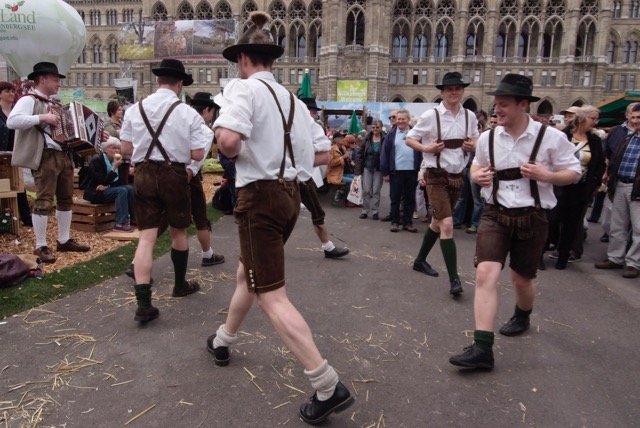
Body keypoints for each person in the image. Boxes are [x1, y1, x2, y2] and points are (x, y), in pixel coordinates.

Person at [205, 12, 354, 425]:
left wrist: (227, 140)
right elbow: (322, 154)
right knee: (248, 274)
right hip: (290, 196)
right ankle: (223, 339)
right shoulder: (293, 101)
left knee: (271, 295)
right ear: (271, 58)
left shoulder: (243, 89)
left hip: (260, 198)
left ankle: (326, 384)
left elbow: (229, 142)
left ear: (243, 59)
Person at [448, 74, 581, 370]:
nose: (497, 110)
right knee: (485, 274)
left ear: (523, 105)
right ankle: (482, 348)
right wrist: (477, 175)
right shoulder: (488, 138)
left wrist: (548, 176)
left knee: (522, 279)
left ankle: (523, 313)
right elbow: (477, 167)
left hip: (533, 216)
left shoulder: (551, 138)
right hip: (495, 213)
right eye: (496, 104)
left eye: (504, 104)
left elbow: (574, 172)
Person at [119, 58, 208, 323]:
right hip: (174, 174)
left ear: (158, 80)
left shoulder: (135, 109)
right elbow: (198, 153)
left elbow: (125, 149)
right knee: (178, 231)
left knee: (147, 237)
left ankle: (143, 304)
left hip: (144, 173)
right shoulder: (188, 113)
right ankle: (179, 285)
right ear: (179, 83)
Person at [7, 62, 91, 263]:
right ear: (42, 79)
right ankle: (40, 245)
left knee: (66, 199)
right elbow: (12, 121)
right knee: (44, 200)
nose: (58, 84)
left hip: (63, 155)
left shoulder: (55, 103)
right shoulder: (28, 100)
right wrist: (41, 117)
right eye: (55, 79)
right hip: (44, 155)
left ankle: (64, 240)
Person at [405, 72, 479, 296]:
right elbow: (410, 138)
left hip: (457, 176)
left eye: (457, 88)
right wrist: (426, 148)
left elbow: (476, 139)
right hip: (435, 175)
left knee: (437, 223)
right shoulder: (431, 115)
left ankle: (420, 261)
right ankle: (454, 280)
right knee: (447, 224)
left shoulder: (470, 116)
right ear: (442, 92)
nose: (453, 92)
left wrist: (472, 145)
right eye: (449, 89)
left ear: (462, 91)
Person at [547, 106, 605, 269]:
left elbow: (599, 164)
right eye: (593, 118)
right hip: (558, 186)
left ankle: (563, 257)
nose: (595, 122)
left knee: (572, 225)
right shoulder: (563, 135)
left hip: (581, 189)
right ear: (582, 118)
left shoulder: (594, 140)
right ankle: (539, 254)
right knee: (551, 221)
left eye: (597, 119)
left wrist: (594, 184)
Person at [298, 97, 349, 258]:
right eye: (313, 112)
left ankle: (328, 247)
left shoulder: (310, 126)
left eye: (315, 112)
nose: (314, 115)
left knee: (316, 212)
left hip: (302, 178)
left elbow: (324, 155)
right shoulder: (291, 124)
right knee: (280, 215)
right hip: (286, 178)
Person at [595, 102, 640, 278]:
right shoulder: (628, 138)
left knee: (638, 229)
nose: (635, 121)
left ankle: (634, 263)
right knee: (617, 225)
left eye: (639, 118)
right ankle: (615, 257)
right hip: (620, 185)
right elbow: (614, 159)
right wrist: (609, 176)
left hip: (637, 188)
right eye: (633, 117)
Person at [180, 91, 225, 266]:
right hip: (187, 176)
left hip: (168, 171)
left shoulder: (180, 121)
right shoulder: (205, 131)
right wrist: (187, 176)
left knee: (160, 218)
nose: (213, 115)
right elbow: (197, 161)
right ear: (206, 110)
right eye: (213, 111)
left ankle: (137, 260)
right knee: (200, 216)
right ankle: (207, 254)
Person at [380, 109, 422, 233]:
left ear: (408, 120)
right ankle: (395, 222)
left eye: (403, 119)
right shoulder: (390, 135)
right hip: (396, 172)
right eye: (398, 119)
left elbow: (422, 152)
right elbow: (385, 154)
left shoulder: (416, 134)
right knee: (395, 198)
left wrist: (422, 171)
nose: (400, 121)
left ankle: (407, 223)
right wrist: (385, 172)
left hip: (412, 171)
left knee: (410, 198)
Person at [83, 137, 135, 232]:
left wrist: (108, 185)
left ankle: (133, 220)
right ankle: (120, 224)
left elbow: (122, 182)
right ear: (105, 149)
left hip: (109, 189)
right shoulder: (97, 161)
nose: (116, 150)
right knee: (122, 190)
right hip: (96, 192)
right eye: (113, 148)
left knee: (130, 188)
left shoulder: (119, 160)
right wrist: (114, 167)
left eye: (118, 148)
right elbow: (101, 180)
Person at [0, 81, 31, 227]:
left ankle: (26, 217)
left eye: (13, 91)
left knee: (19, 184)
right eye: (7, 91)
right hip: (1, 153)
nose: (11, 94)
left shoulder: (16, 112)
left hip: (16, 153)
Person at [356, 119, 385, 220]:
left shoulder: (385, 138)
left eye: (377, 127)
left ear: (381, 128)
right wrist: (358, 170)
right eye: (373, 127)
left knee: (376, 190)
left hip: (379, 168)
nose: (375, 129)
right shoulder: (367, 138)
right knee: (366, 190)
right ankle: (365, 210)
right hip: (367, 167)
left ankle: (375, 211)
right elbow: (360, 154)